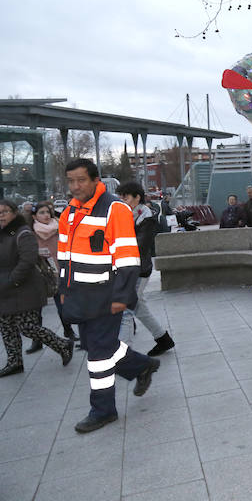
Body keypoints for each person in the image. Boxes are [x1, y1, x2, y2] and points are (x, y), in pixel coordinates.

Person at [57, 159, 160, 433]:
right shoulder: (69, 212)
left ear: (94, 180)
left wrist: (122, 296)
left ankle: (102, 410)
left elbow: (128, 257)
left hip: (106, 294)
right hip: (80, 294)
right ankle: (142, 366)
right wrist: (64, 291)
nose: (75, 186)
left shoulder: (115, 209)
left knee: (99, 354)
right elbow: (64, 256)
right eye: (70, 181)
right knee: (95, 345)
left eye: (80, 180)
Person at [0, 199, 75, 377]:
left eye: (4, 211)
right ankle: (14, 361)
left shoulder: (23, 232)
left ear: (14, 213)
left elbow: (27, 260)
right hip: (4, 288)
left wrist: (11, 281)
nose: (1, 215)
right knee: (6, 325)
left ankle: (62, 345)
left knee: (27, 326)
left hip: (23, 288)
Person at [115, 182, 175, 356]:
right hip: (128, 268)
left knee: (126, 309)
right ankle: (163, 339)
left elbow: (140, 247)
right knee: (138, 306)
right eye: (120, 197)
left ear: (137, 197)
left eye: (125, 197)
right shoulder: (128, 214)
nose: (122, 200)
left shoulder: (146, 217)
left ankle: (123, 355)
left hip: (138, 270)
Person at [27, 202, 78, 354]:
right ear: (34, 216)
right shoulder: (29, 232)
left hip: (59, 271)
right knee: (36, 309)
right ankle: (37, 341)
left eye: (48, 212)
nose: (46, 215)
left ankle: (68, 332)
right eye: (41, 212)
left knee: (62, 305)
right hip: (39, 274)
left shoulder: (59, 227)